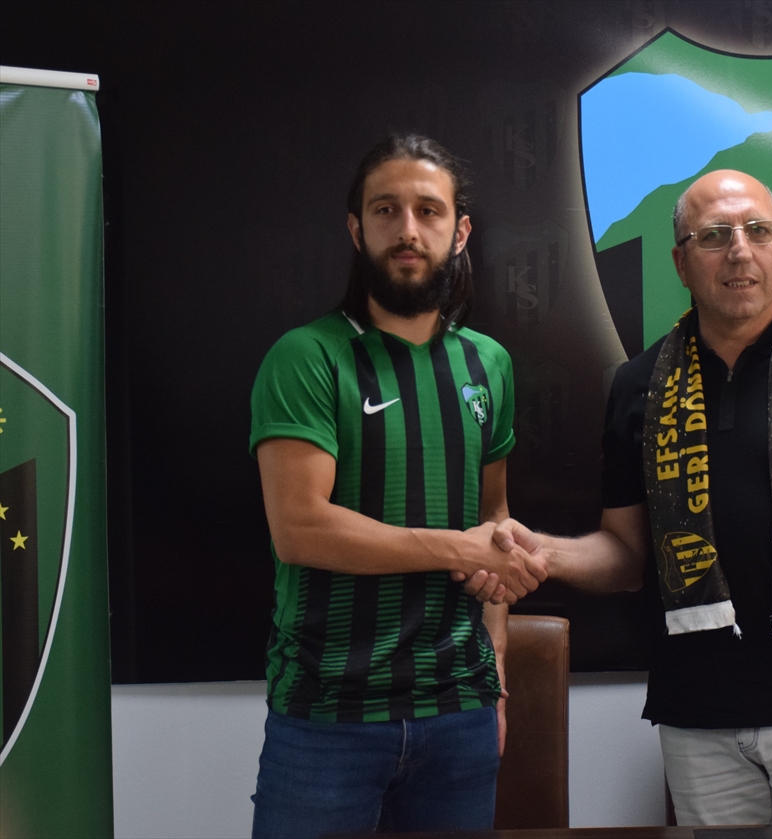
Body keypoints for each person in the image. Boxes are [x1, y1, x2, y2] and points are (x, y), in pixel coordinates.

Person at [477, 170, 772, 825]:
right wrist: (540, 552)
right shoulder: (637, 386)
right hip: (699, 716)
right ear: (681, 263)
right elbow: (625, 555)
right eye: (715, 236)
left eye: (758, 232)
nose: (739, 251)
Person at [248, 133, 546, 837]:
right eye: (386, 210)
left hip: (460, 715)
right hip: (327, 718)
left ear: (460, 232)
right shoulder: (309, 356)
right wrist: (459, 548)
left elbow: (493, 520)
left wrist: (496, 672)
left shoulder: (488, 364)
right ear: (358, 230)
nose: (408, 229)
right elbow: (301, 528)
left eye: (427, 210)